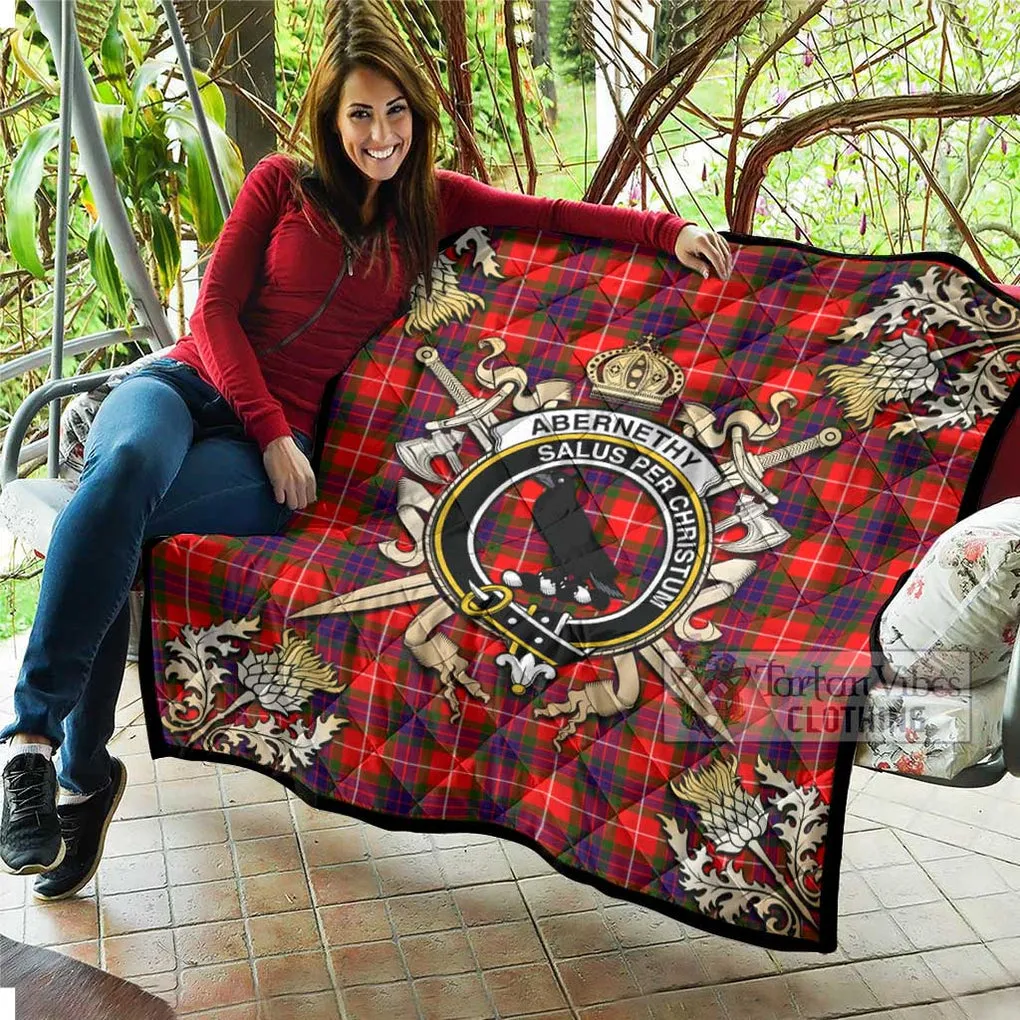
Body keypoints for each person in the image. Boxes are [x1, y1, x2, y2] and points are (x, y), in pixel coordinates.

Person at [0, 0, 733, 900]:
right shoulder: (280, 184)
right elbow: (215, 312)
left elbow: (552, 215)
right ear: (330, 117)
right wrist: (268, 427)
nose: (379, 133)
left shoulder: (433, 205)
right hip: (186, 389)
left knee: (120, 518)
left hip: (272, 458)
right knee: (122, 477)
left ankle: (79, 778)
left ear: (415, 118)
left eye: (394, 113)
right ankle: (36, 750)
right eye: (359, 114)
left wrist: (667, 232)